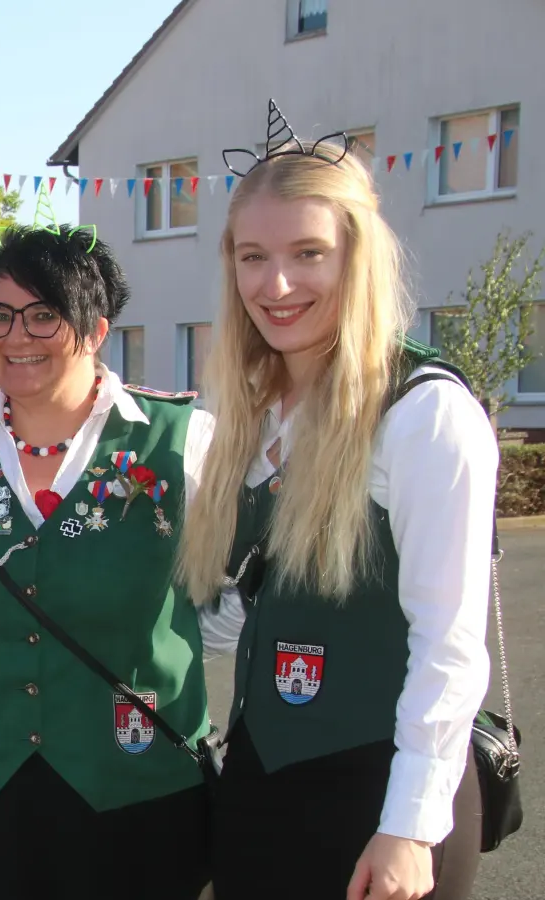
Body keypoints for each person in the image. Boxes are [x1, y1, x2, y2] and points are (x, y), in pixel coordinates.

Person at [184, 117, 493, 900]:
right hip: (262, 776)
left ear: (357, 256)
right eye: (253, 257)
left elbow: (449, 645)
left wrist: (410, 827)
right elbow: (243, 611)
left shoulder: (425, 414)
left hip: (381, 794)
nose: (275, 285)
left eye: (306, 254)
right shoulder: (255, 412)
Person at [0, 224, 216, 899]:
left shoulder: (183, 445)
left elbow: (247, 599)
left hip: (137, 799)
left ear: (95, 329)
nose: (16, 336)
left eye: (44, 316)